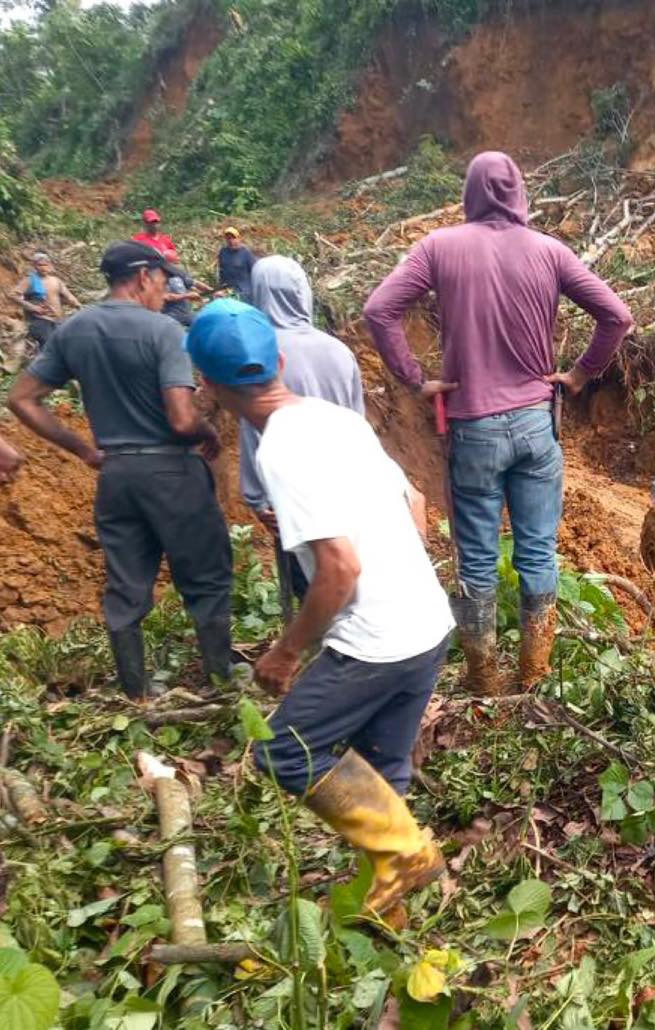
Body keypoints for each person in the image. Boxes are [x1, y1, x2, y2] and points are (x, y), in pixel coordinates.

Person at [186, 298, 451, 924]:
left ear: (210, 386)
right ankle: (388, 908)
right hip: (428, 623)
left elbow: (340, 570)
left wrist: (286, 651)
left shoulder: (279, 451)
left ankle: (408, 854)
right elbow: (415, 505)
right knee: (382, 768)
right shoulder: (339, 421)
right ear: (278, 359)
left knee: (282, 750)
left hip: (378, 642)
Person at [363, 151, 633, 695]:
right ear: (520, 195)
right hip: (536, 425)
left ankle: (484, 677)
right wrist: (580, 376)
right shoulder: (550, 252)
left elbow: (378, 310)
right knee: (538, 550)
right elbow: (617, 316)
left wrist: (416, 379)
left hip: (474, 429)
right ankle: (533, 676)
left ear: (470, 193)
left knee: (479, 555)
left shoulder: (438, 248)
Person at [5, 241, 236, 700]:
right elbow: (180, 418)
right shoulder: (163, 332)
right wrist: (208, 430)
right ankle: (220, 684)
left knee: (127, 586)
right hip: (172, 472)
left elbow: (21, 398)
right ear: (143, 277)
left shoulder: (75, 329)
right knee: (206, 578)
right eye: (162, 279)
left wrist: (85, 450)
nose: (164, 288)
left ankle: (136, 693)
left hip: (117, 477)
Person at [242, 255, 366, 602]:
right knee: (348, 576)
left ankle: (318, 648)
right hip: (343, 489)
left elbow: (253, 429)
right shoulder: (339, 352)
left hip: (292, 493)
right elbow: (358, 423)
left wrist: (259, 498)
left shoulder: (259, 354)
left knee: (311, 586)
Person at [13, 252, 79, 353]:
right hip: (40, 320)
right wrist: (33, 307)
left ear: (50, 265)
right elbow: (13, 295)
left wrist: (77, 305)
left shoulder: (56, 281)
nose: (43, 268)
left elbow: (68, 295)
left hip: (57, 319)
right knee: (48, 347)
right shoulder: (30, 281)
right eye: (40, 265)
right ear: (34, 266)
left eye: (45, 264)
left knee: (63, 345)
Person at [216, 227, 257, 303]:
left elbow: (255, 271)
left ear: (239, 239)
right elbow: (221, 272)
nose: (231, 241)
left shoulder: (246, 253)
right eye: (228, 238)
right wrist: (220, 289)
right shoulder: (223, 252)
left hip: (245, 292)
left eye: (233, 238)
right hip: (228, 291)